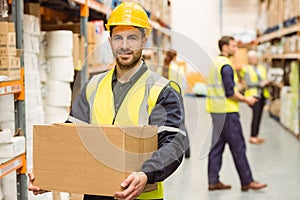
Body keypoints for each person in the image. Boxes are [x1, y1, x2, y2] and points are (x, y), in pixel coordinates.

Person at [28, 2, 187, 200]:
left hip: (139, 194)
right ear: (110, 41)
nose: (125, 45)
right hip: (96, 193)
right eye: (118, 38)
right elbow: (72, 138)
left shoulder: (162, 90)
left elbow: (174, 142)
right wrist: (50, 173)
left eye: (132, 38)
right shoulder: (92, 86)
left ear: (144, 41)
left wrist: (146, 174)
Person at [206, 36, 267, 191]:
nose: (235, 49)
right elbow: (230, 93)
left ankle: (213, 181)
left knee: (217, 147)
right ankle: (247, 181)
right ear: (225, 47)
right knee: (238, 147)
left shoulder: (214, 62)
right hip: (228, 112)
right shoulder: (226, 66)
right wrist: (247, 100)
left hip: (216, 110)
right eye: (233, 46)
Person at [242, 50, 271, 144]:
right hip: (253, 95)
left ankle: (256, 135)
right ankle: (253, 136)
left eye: (255, 57)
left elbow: (264, 77)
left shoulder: (261, 68)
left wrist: (267, 82)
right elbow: (249, 83)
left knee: (259, 116)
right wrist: (260, 83)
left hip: (262, 94)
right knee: (256, 115)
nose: (254, 59)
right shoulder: (246, 69)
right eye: (252, 58)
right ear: (249, 59)